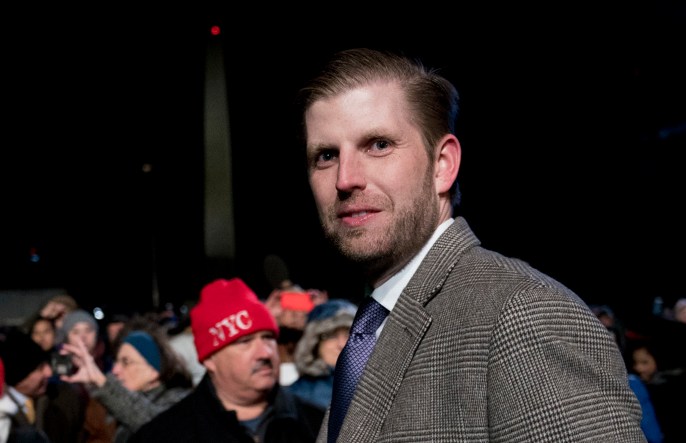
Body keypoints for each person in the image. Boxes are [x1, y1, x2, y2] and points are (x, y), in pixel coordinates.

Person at [297, 47, 645, 441]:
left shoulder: (524, 314)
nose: (345, 179)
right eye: (326, 155)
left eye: (378, 145)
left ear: (442, 165)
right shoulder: (373, 324)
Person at [127, 277, 325, 442]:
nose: (265, 353)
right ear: (210, 359)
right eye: (245, 342)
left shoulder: (322, 424)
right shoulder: (163, 436)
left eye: (268, 338)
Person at [60, 322, 193, 443]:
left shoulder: (181, 401)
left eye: (126, 362)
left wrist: (101, 381)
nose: (115, 370)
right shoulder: (119, 406)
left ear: (154, 370)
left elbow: (156, 425)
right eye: (116, 361)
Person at [0, 327, 85, 443]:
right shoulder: (3, 414)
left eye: (46, 364)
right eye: (40, 368)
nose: (49, 372)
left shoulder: (65, 399)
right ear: (19, 378)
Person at [288, 299, 357, 409]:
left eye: (349, 334)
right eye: (330, 335)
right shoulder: (295, 396)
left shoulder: (380, 385)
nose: (342, 344)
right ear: (313, 345)